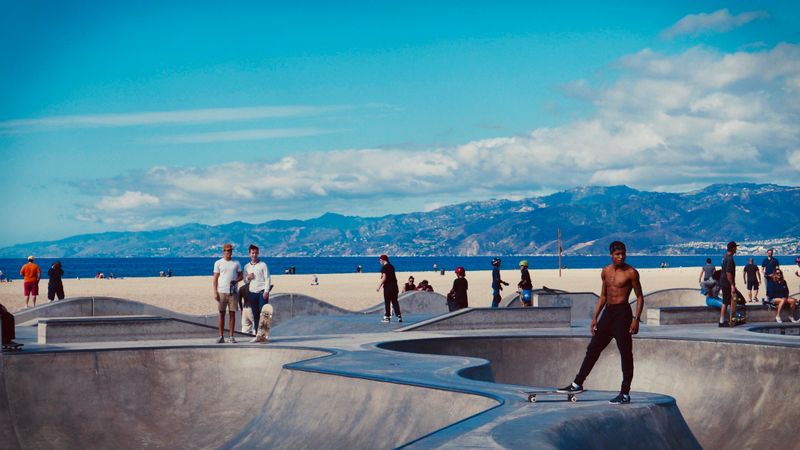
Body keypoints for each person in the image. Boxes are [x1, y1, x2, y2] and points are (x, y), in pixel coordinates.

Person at [558, 241, 644, 404]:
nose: (621, 257)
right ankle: (577, 383)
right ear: (611, 255)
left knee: (625, 354)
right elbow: (603, 296)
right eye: (618, 254)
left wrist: (636, 319)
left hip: (623, 314)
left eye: (623, 253)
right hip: (608, 314)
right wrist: (595, 317)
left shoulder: (631, 272)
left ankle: (625, 393)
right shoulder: (605, 271)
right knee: (593, 348)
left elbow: (639, 296)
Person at [213, 243, 243, 343]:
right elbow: (215, 278)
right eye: (226, 251)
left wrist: (236, 280)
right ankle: (221, 336)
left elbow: (241, 276)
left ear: (231, 251)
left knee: (232, 314)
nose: (228, 252)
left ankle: (231, 336)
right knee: (221, 314)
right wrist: (215, 292)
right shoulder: (218, 263)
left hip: (233, 292)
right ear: (223, 251)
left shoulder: (236, 263)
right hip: (221, 291)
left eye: (229, 250)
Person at [243, 244, 271, 334]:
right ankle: (256, 334)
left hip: (262, 293)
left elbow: (267, 278)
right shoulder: (247, 266)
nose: (254, 255)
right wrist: (248, 277)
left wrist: (266, 291)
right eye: (252, 253)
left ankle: (263, 334)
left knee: (264, 313)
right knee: (255, 315)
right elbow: (245, 281)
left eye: (256, 253)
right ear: (249, 254)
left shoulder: (263, 265)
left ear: (258, 253)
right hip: (252, 293)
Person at [377, 254, 401, 323]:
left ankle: (387, 317)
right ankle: (399, 316)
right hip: (395, 286)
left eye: (380, 260)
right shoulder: (392, 266)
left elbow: (384, 278)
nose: (380, 261)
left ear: (384, 260)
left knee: (387, 302)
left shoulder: (384, 267)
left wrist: (379, 286)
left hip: (388, 287)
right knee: (395, 301)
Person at [718, 241, 738, 327]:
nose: (736, 249)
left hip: (723, 281)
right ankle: (722, 321)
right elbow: (728, 273)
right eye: (736, 247)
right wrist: (732, 285)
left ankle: (726, 319)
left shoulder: (724, 257)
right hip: (727, 283)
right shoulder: (729, 259)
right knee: (725, 302)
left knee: (726, 301)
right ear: (733, 248)